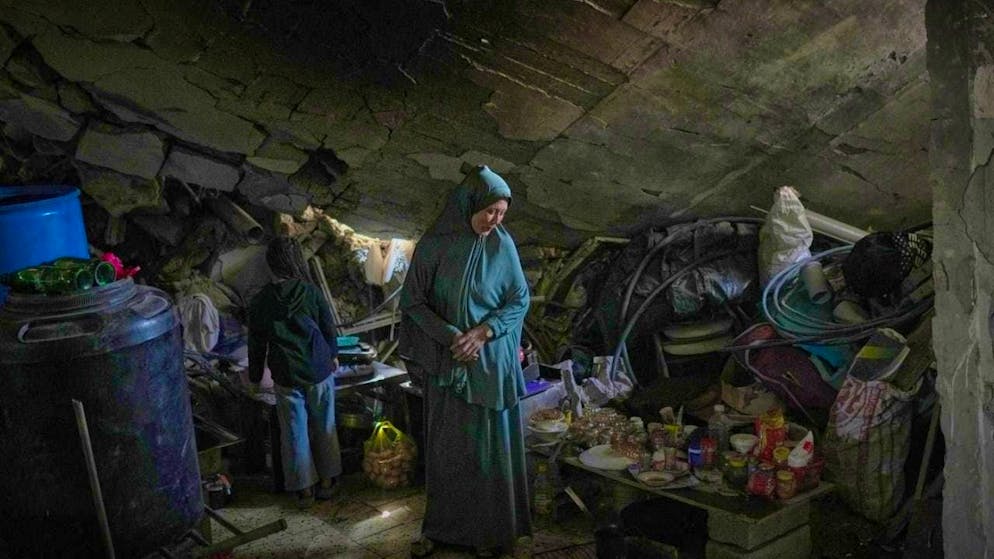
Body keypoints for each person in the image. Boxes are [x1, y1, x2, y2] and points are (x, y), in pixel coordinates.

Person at [400, 166, 532, 557]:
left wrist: (484, 332)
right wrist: (451, 337)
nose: (495, 220)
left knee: (492, 452)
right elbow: (414, 302)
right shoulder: (435, 245)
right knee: (450, 452)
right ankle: (447, 530)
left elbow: (519, 299)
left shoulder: (502, 246)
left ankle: (497, 533)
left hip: (491, 365)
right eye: (490, 211)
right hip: (450, 365)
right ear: (470, 204)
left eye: (502, 213)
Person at [248, 237, 341, 508]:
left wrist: (255, 379)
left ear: (271, 265)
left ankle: (304, 490)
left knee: (294, 432)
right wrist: (333, 355)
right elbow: (328, 326)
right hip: (318, 370)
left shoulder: (261, 301)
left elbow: (256, 345)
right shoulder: (311, 292)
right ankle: (327, 482)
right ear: (296, 261)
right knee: (325, 425)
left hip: (286, 374)